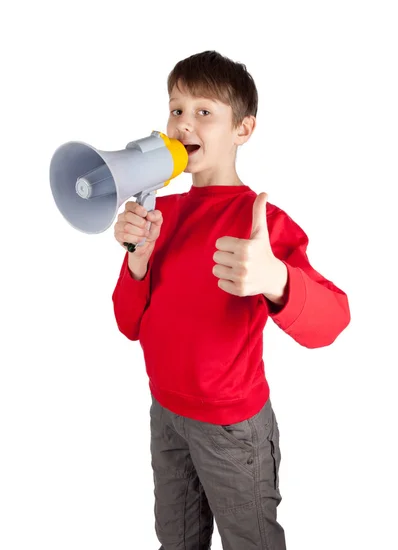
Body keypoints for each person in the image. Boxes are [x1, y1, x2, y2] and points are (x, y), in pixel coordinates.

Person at [112, 50, 350, 550]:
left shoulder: (261, 222)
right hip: (166, 413)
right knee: (176, 540)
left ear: (243, 130)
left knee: (252, 542)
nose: (182, 124)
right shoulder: (160, 214)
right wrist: (138, 261)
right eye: (176, 109)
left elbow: (333, 321)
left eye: (204, 112)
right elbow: (129, 324)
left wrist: (277, 278)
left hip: (231, 428)